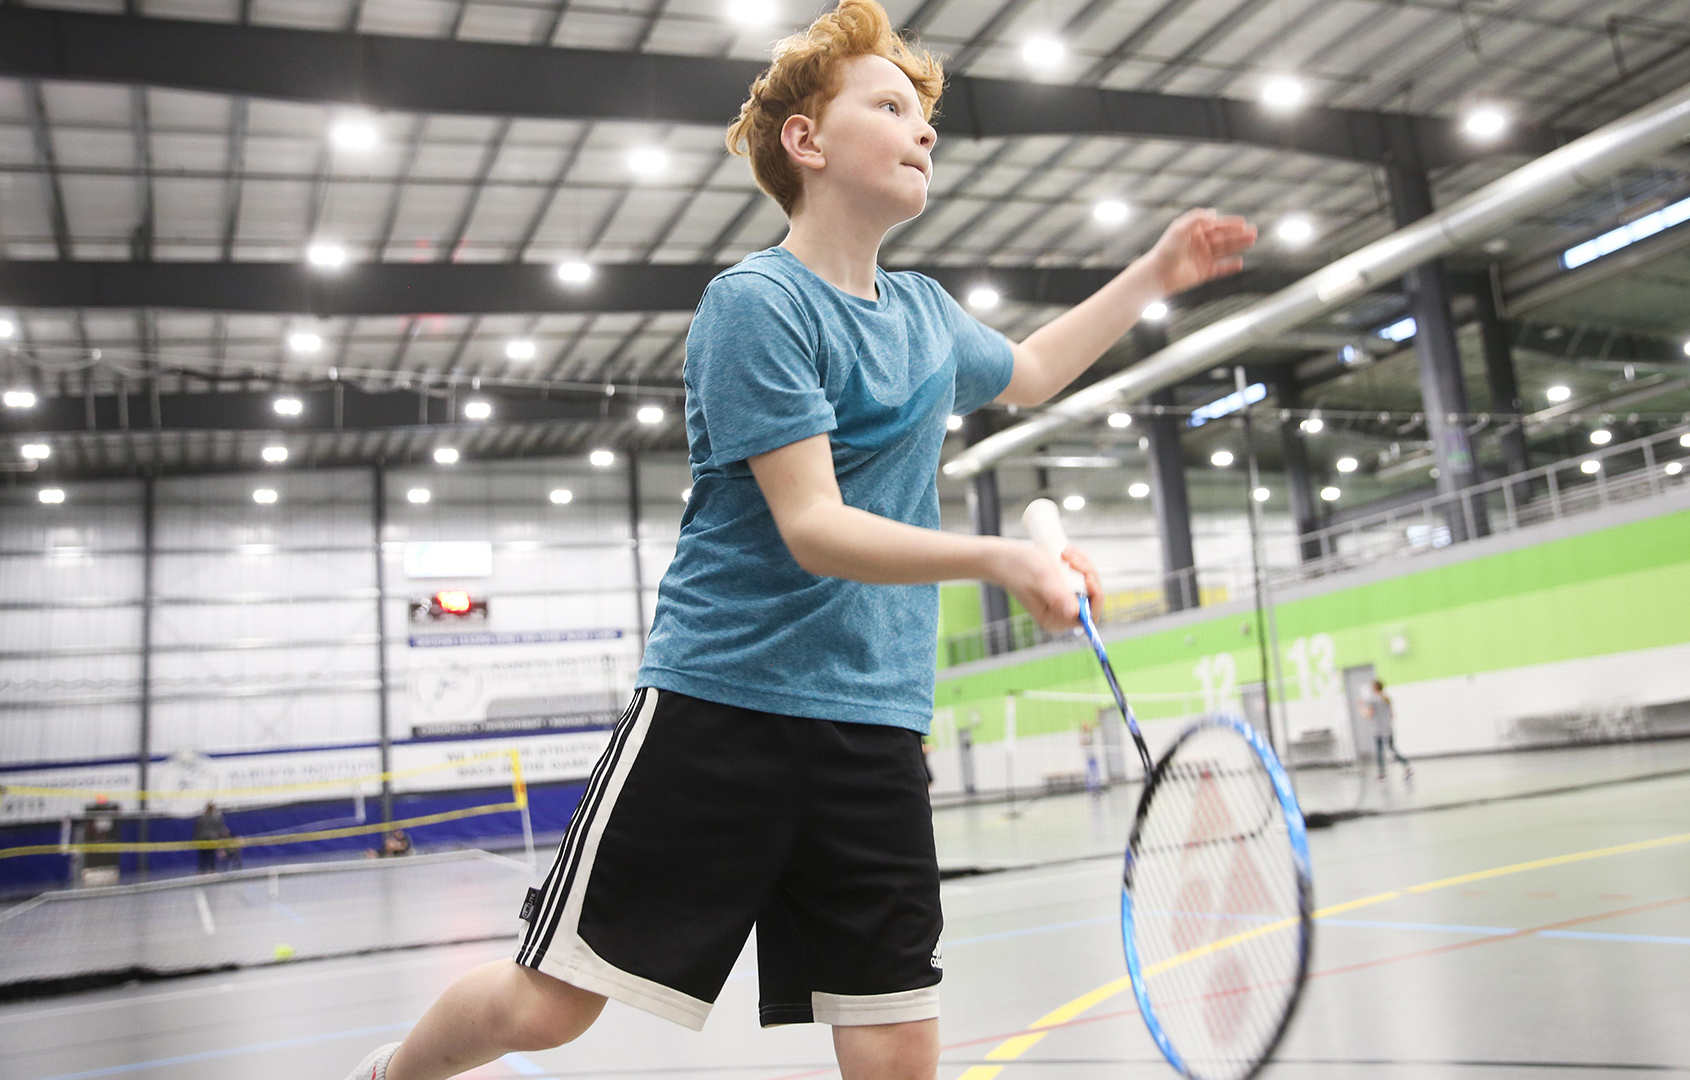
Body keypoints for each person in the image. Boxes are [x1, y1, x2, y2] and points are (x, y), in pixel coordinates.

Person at [346, 3, 1251, 1077]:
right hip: (724, 706)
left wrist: (1154, 273)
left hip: (876, 719)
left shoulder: (925, 314)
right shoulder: (758, 305)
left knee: (896, 1038)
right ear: (806, 141)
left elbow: (1036, 370)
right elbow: (815, 527)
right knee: (549, 1006)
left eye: (923, 116)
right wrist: (1003, 557)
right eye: (891, 107)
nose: (924, 130)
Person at [1361, 679, 1413, 782]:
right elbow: (1392, 714)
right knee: (1392, 749)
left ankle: (1382, 774)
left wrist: (1360, 707)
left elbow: (1369, 715)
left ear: (1375, 688)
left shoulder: (1373, 700)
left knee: (1380, 752)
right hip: (1388, 729)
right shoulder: (1387, 698)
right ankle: (1406, 764)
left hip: (1378, 730)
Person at [192, 801, 231, 874]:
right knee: (211, 854)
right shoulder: (216, 818)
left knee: (203, 854)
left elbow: (197, 829)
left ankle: (201, 869)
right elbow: (219, 829)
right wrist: (222, 837)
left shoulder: (201, 818)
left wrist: (195, 838)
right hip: (212, 838)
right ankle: (211, 869)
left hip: (202, 838)